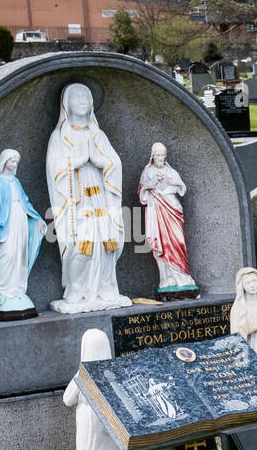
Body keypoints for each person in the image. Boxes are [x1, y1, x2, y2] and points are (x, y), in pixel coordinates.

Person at [45, 82, 131, 313]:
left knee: (107, 243)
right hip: (76, 200)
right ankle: (76, 289)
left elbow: (114, 162)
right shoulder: (60, 136)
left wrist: (101, 162)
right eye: (77, 97)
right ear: (67, 104)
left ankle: (106, 288)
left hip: (101, 197)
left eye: (86, 97)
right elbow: (54, 168)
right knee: (82, 245)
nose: (82, 101)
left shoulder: (97, 134)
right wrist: (78, 161)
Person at [0, 148, 45, 318]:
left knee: (19, 256)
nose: (15, 164)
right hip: (4, 225)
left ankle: (16, 290)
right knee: (6, 255)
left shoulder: (15, 181)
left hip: (20, 221)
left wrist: (37, 219)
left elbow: (25, 202)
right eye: (12, 161)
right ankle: (1, 291)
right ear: (4, 161)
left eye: (16, 162)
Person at [138, 142, 196, 296]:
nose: (160, 158)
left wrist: (177, 183)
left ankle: (183, 278)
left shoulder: (171, 171)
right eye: (157, 155)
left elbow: (182, 188)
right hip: (156, 212)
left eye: (163, 155)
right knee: (161, 245)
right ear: (152, 156)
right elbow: (141, 196)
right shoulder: (147, 172)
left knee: (178, 242)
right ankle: (166, 279)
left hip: (173, 210)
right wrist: (146, 188)